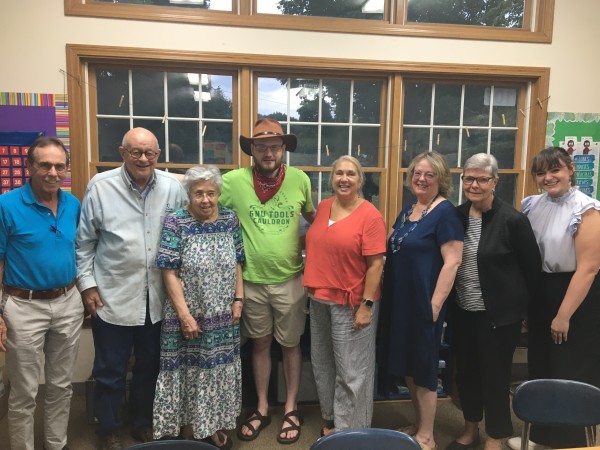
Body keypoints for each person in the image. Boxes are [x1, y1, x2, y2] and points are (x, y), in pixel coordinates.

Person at [76, 127, 187, 450]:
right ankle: (107, 428)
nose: (143, 158)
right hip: (113, 296)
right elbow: (84, 243)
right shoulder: (100, 187)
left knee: (150, 366)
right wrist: (87, 286)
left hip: (158, 299)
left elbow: (184, 232)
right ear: (122, 153)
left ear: (158, 155)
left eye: (150, 153)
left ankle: (142, 422)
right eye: (136, 152)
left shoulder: (171, 188)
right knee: (109, 369)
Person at [219, 118, 315, 445]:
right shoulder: (233, 181)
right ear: (252, 150)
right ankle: (261, 406)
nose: (269, 152)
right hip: (249, 282)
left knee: (291, 345)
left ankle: (290, 406)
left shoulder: (301, 180)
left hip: (291, 278)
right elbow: (200, 199)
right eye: (262, 147)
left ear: (284, 148)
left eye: (275, 146)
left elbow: (315, 222)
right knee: (260, 344)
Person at [507, 147, 600, 450]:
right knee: (541, 365)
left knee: (569, 369)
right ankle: (540, 438)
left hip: (575, 295)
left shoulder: (586, 210)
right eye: (541, 172)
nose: (548, 177)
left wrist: (563, 315)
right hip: (541, 290)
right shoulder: (532, 205)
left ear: (570, 169)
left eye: (555, 170)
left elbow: (588, 268)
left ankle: (570, 444)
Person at [447, 154, 541, 450]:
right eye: (468, 179)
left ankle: (495, 436)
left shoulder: (513, 220)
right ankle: (470, 428)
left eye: (481, 179)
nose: (474, 185)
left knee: (495, 377)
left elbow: (531, 270)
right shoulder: (456, 216)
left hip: (499, 316)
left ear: (495, 182)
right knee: (466, 374)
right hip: (463, 311)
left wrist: (525, 313)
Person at [0, 136, 84, 450]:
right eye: (45, 164)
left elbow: (78, 250)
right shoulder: (6, 205)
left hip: (67, 301)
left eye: (59, 166)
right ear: (30, 166)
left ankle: (55, 445)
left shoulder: (73, 204)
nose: (52, 171)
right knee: (23, 392)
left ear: (66, 169)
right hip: (23, 305)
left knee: (61, 386)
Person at [153, 166, 244, 450]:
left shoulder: (230, 219)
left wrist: (239, 298)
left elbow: (238, 262)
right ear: (189, 194)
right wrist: (184, 316)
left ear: (218, 194)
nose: (205, 200)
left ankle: (210, 426)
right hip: (188, 314)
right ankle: (191, 430)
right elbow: (168, 271)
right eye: (199, 193)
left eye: (211, 193)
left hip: (222, 315)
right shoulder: (176, 221)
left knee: (215, 371)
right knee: (189, 371)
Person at [379, 151, 463, 450]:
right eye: (417, 172)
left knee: (424, 367)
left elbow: (453, 261)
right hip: (400, 300)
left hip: (425, 302)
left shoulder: (446, 213)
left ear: (441, 179)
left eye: (429, 174)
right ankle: (418, 424)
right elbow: (389, 244)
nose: (422, 178)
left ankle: (427, 435)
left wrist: (435, 305)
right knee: (410, 365)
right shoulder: (408, 210)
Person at [303, 155, 386, 436]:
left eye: (351, 174)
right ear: (332, 179)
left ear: (360, 180)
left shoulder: (370, 216)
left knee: (352, 371)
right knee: (323, 363)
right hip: (319, 299)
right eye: (339, 173)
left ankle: (352, 431)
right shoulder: (324, 207)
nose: (344, 179)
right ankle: (333, 419)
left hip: (352, 304)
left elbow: (376, 265)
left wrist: (367, 304)